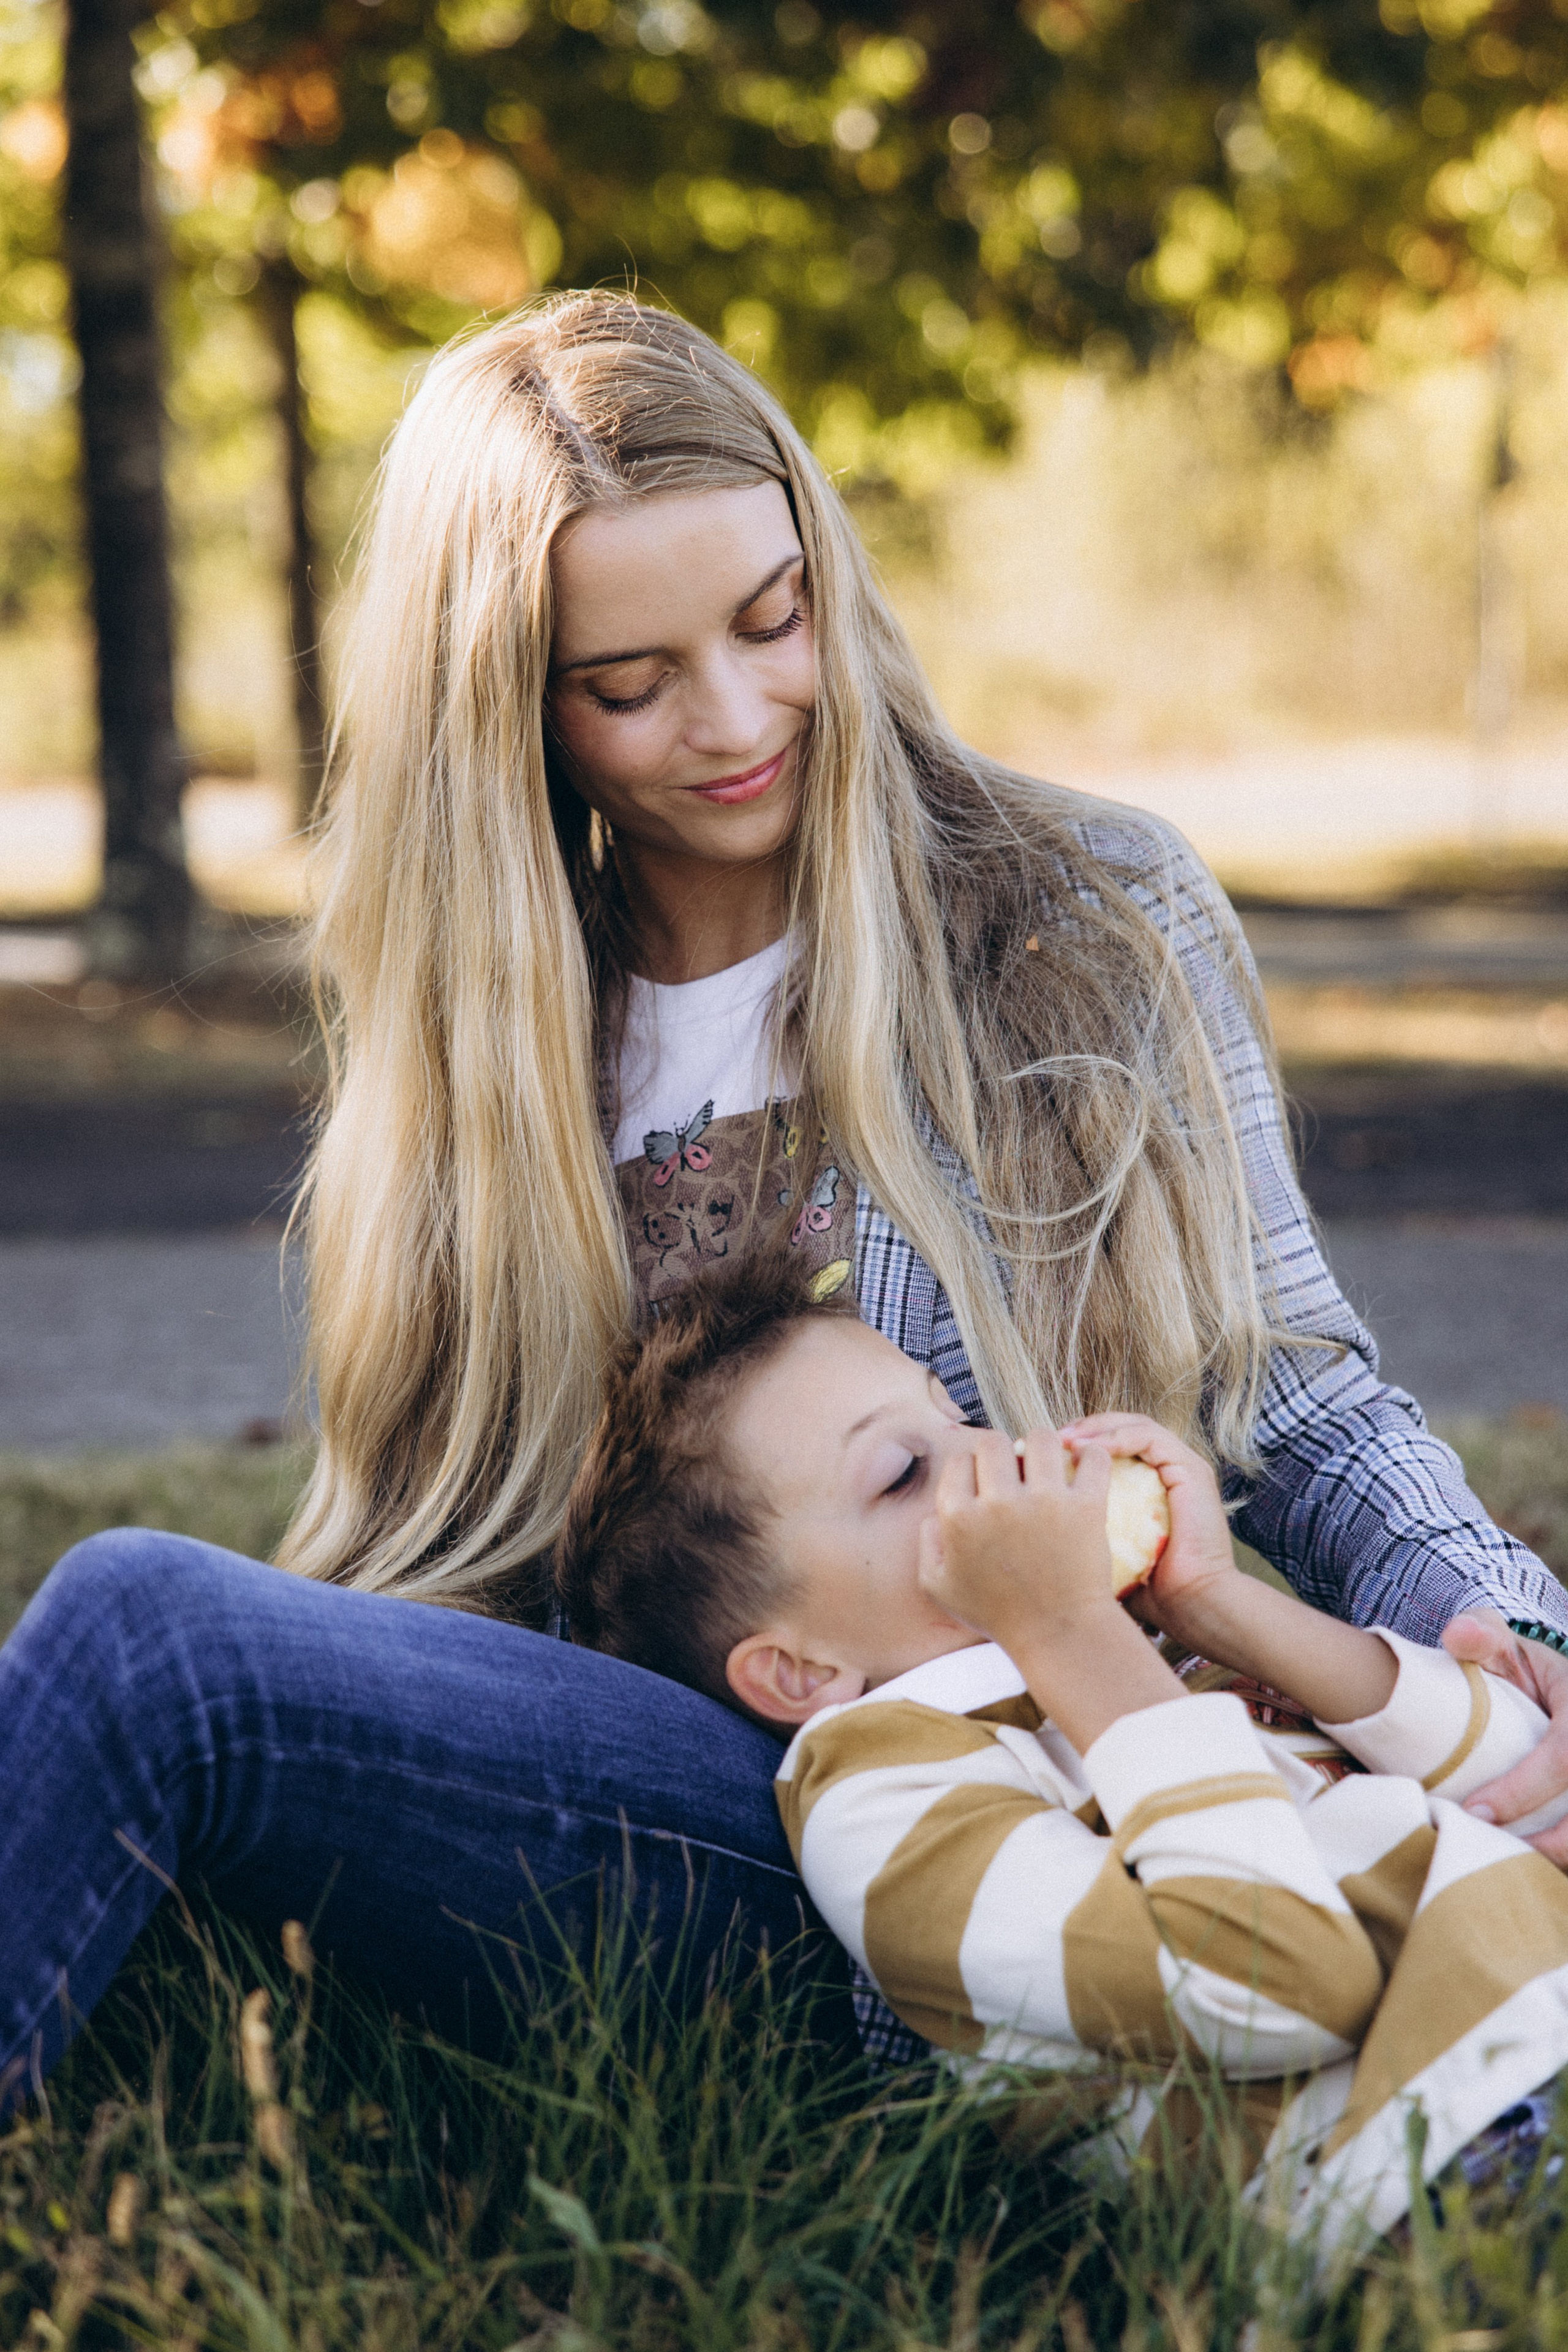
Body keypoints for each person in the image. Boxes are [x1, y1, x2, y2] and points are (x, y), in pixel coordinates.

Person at [4, 293, 1568, 2105]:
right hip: (685, 1805)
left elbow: (1297, 1397)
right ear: (509, 706)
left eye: (773, 619)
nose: (735, 717)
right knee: (150, 1642)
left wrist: (1517, 1656)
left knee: (130, 1632)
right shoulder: (483, 1028)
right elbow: (440, 1551)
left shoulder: (1087, 909)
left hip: (1018, 1815)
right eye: (628, 682)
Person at [556, 1253, 1568, 2260]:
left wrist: (1221, 1607)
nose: (995, 1459)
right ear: (799, 1672)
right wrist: (1073, 1632)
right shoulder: (884, 1792)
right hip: (1469, 2155)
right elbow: (1279, 1981)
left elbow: (1519, 1781)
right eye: (905, 1473)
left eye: (958, 1413)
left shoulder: (1133, 1675)